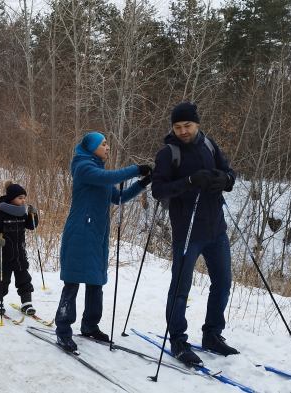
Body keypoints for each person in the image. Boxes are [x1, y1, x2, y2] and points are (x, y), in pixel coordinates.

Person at [150, 102, 239, 366]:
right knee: (181, 287)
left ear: (197, 123)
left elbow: (230, 172)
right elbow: (158, 190)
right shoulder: (168, 153)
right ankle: (177, 339)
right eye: (177, 127)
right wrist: (188, 183)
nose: (182, 131)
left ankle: (212, 334)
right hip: (187, 231)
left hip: (216, 229)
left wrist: (225, 181)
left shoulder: (209, 145)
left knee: (222, 284)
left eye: (187, 125)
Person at [54, 132, 151, 352]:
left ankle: (90, 325)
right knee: (72, 283)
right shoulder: (83, 167)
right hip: (80, 232)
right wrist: (136, 169)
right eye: (104, 144)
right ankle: (63, 331)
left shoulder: (98, 171)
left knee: (96, 282)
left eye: (107, 144)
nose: (108, 148)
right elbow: (109, 179)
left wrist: (143, 183)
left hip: (96, 234)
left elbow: (117, 197)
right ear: (92, 148)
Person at [0, 180, 39, 316]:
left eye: (24, 198)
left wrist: (34, 215)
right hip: (4, 255)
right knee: (2, 280)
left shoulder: (22, 214)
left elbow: (31, 226)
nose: (23, 201)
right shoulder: (0, 215)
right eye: (20, 198)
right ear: (11, 199)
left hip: (20, 254)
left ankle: (27, 303)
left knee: (24, 279)